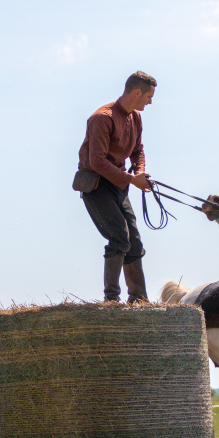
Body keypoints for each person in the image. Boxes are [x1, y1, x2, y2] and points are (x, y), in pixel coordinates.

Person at [76, 71, 156, 303]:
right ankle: (111, 301)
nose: (150, 102)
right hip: (96, 186)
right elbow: (97, 162)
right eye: (149, 97)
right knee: (120, 237)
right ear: (137, 92)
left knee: (135, 242)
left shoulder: (135, 117)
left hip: (118, 186)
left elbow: (137, 151)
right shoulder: (102, 118)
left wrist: (139, 171)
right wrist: (133, 180)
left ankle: (139, 300)